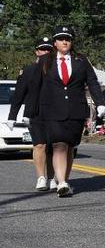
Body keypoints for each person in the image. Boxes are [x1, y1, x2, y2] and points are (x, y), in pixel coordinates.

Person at [38, 26, 105, 197]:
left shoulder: (81, 60)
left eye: (67, 38)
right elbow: (34, 85)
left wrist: (100, 104)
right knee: (58, 144)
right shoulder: (45, 61)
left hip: (76, 110)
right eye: (61, 39)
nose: (65, 41)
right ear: (55, 43)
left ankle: (63, 179)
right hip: (52, 111)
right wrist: (29, 109)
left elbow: (92, 82)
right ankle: (61, 182)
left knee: (70, 146)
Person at [7, 36, 56, 191]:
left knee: (54, 147)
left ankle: (53, 177)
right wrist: (12, 116)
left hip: (55, 113)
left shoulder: (57, 70)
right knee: (40, 145)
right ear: (37, 52)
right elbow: (19, 94)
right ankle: (41, 177)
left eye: (49, 49)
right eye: (43, 49)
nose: (46, 52)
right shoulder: (28, 71)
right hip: (35, 113)